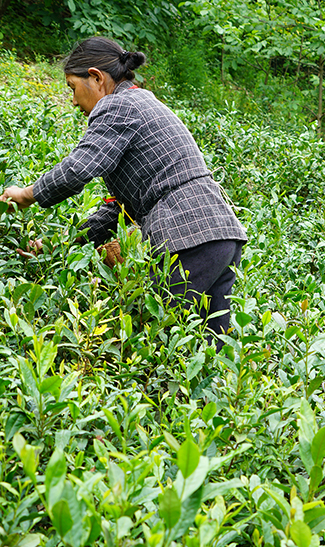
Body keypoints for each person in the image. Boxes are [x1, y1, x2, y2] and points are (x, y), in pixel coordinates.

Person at [0, 37, 247, 334]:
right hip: (221, 236)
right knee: (210, 347)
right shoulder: (141, 102)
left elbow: (79, 168)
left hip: (188, 238)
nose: (74, 101)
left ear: (96, 77)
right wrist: (60, 244)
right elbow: (121, 209)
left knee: (149, 333)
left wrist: (26, 195)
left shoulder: (118, 106)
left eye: (72, 88)